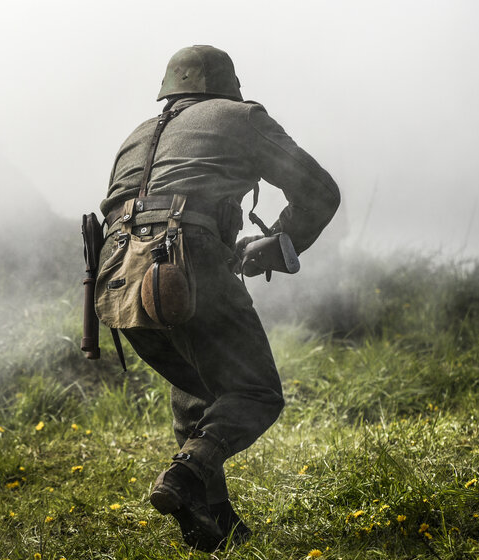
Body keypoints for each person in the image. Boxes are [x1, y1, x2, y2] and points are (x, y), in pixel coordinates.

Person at [97, 45, 340, 551]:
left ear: (171, 89)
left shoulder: (137, 135)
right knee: (255, 393)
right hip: (187, 262)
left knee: (201, 396)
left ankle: (214, 525)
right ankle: (186, 477)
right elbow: (319, 190)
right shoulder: (241, 117)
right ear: (227, 86)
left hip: (117, 282)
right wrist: (279, 243)